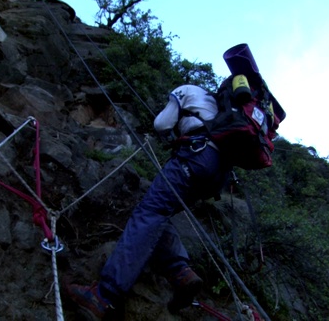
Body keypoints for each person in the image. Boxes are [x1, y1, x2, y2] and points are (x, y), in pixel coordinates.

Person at [62, 83, 232, 319]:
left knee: (149, 213)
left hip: (194, 157)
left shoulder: (188, 90)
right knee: (161, 212)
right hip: (217, 175)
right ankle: (180, 271)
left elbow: (161, 123)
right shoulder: (221, 109)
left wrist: (169, 134)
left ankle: (103, 295)